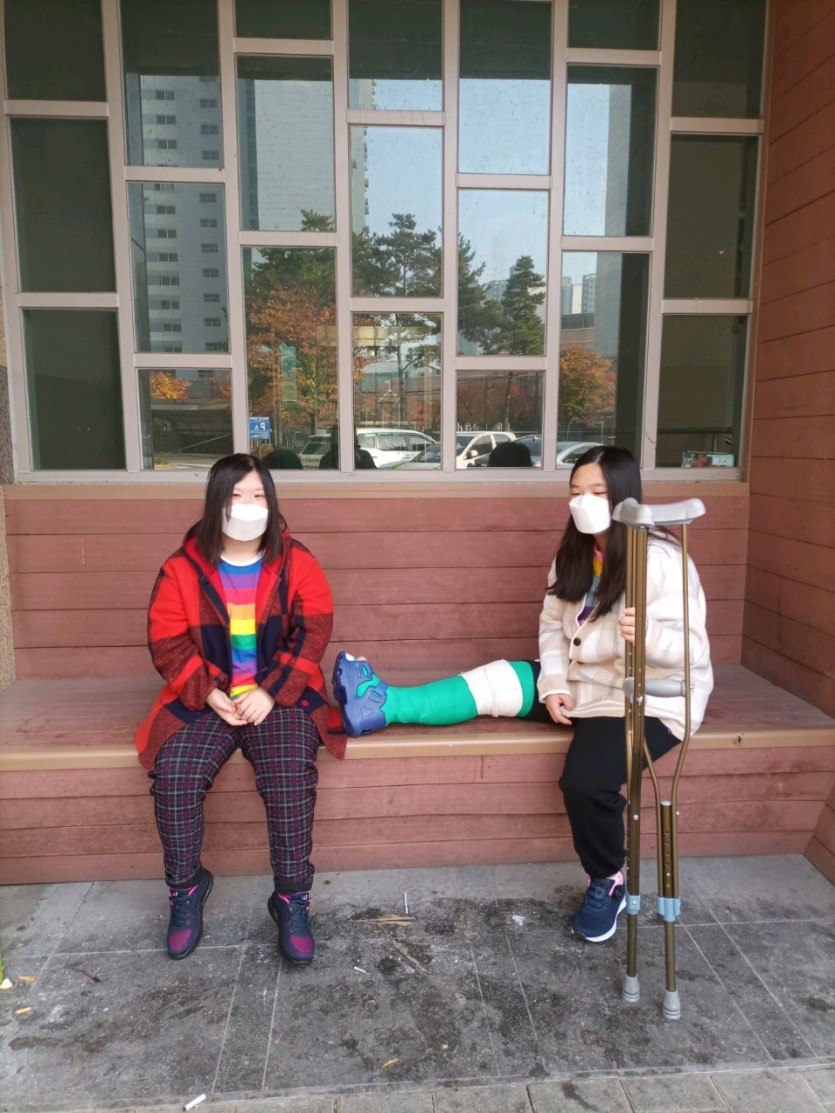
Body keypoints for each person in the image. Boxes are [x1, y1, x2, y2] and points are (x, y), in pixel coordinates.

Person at [332, 445, 713, 943]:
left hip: (648, 697)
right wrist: (552, 684)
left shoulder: (661, 560)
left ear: (625, 495)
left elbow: (692, 651)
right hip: (580, 682)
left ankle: (608, 878)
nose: (583, 502)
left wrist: (650, 637)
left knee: (585, 781)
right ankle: (383, 704)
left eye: (597, 492)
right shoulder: (574, 554)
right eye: (575, 491)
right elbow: (553, 627)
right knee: (497, 680)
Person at [135, 453, 346, 965]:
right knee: (176, 775)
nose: (248, 506)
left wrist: (269, 691)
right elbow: (167, 642)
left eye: (258, 496)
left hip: (279, 695)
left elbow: (314, 630)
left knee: (289, 775)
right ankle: (186, 887)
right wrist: (209, 692)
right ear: (216, 503)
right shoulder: (182, 567)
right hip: (206, 698)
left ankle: (291, 898)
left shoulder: (295, 560)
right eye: (235, 496)